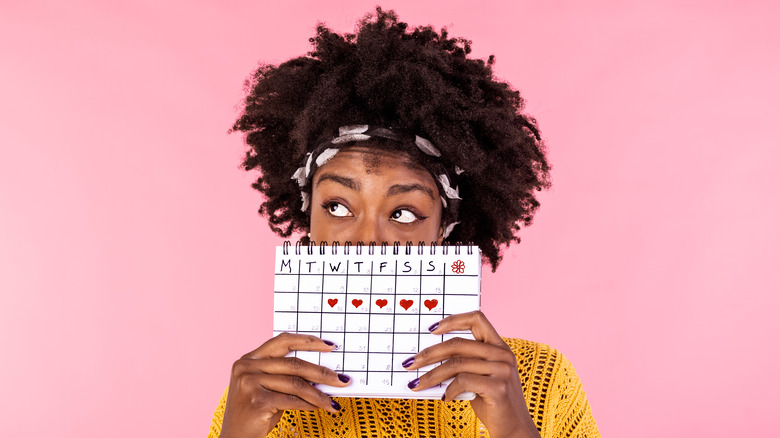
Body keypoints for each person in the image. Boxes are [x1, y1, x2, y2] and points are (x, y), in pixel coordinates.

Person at [209, 8, 599, 438]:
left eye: (403, 213)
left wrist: (515, 431)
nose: (366, 243)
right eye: (337, 206)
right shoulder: (258, 397)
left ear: (444, 232)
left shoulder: (540, 383)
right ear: (308, 219)